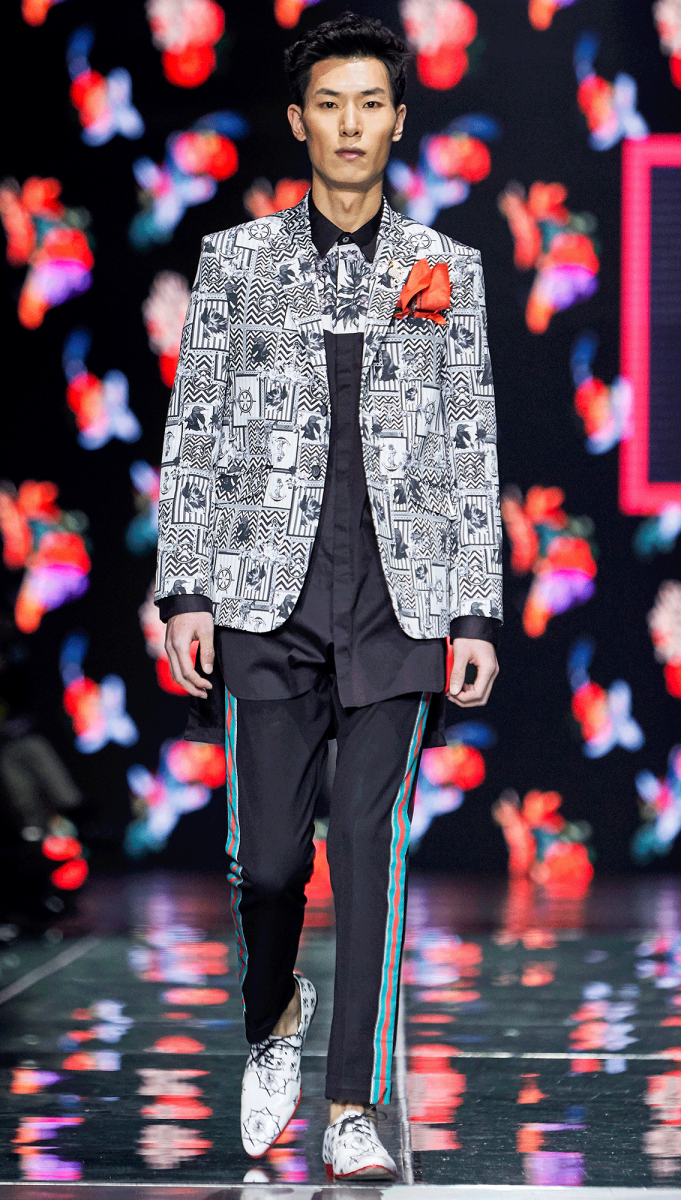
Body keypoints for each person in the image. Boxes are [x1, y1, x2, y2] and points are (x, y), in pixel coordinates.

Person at [154, 12, 502, 1179]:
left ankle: (353, 1102)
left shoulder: (440, 269)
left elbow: (467, 446)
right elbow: (196, 437)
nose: (351, 124)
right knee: (265, 865)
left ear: (399, 121)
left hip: (399, 602)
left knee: (369, 849)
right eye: (331, 104)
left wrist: (473, 612)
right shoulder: (237, 263)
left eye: (371, 104)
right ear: (302, 121)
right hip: (265, 596)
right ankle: (273, 1020)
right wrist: (185, 589)